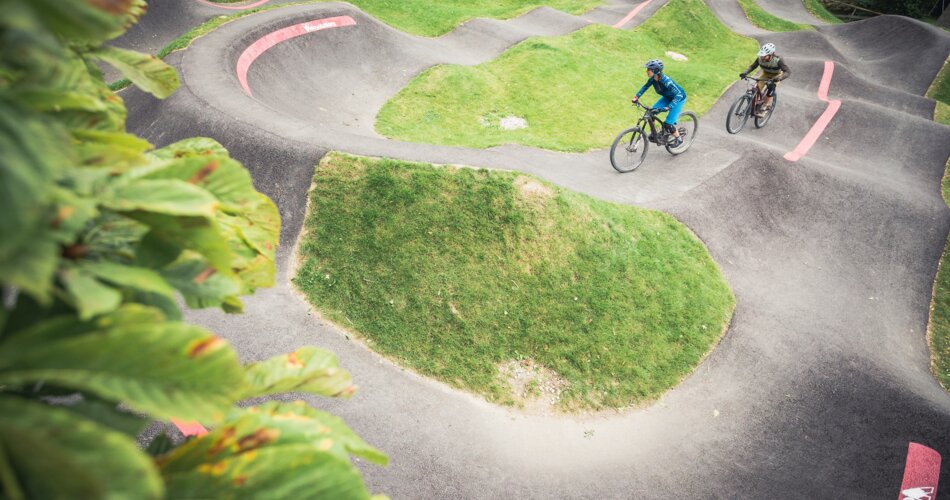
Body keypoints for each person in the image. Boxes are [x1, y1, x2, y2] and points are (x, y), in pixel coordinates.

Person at [631, 59, 687, 147]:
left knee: (668, 124)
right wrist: (636, 97)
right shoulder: (653, 79)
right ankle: (655, 134)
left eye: (649, 70)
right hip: (667, 98)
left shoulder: (667, 81)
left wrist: (669, 107)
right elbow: (645, 87)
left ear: (656, 71)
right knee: (651, 113)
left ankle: (679, 139)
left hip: (678, 99)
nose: (647, 71)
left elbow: (678, 95)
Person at [739, 42, 790, 117]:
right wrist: (745, 72)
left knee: (771, 87)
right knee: (756, 89)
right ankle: (754, 105)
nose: (762, 57)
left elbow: (788, 72)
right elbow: (753, 66)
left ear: (771, 54)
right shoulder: (760, 58)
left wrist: (779, 78)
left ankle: (765, 106)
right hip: (766, 74)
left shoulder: (778, 60)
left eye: (764, 56)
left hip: (776, 75)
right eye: (762, 55)